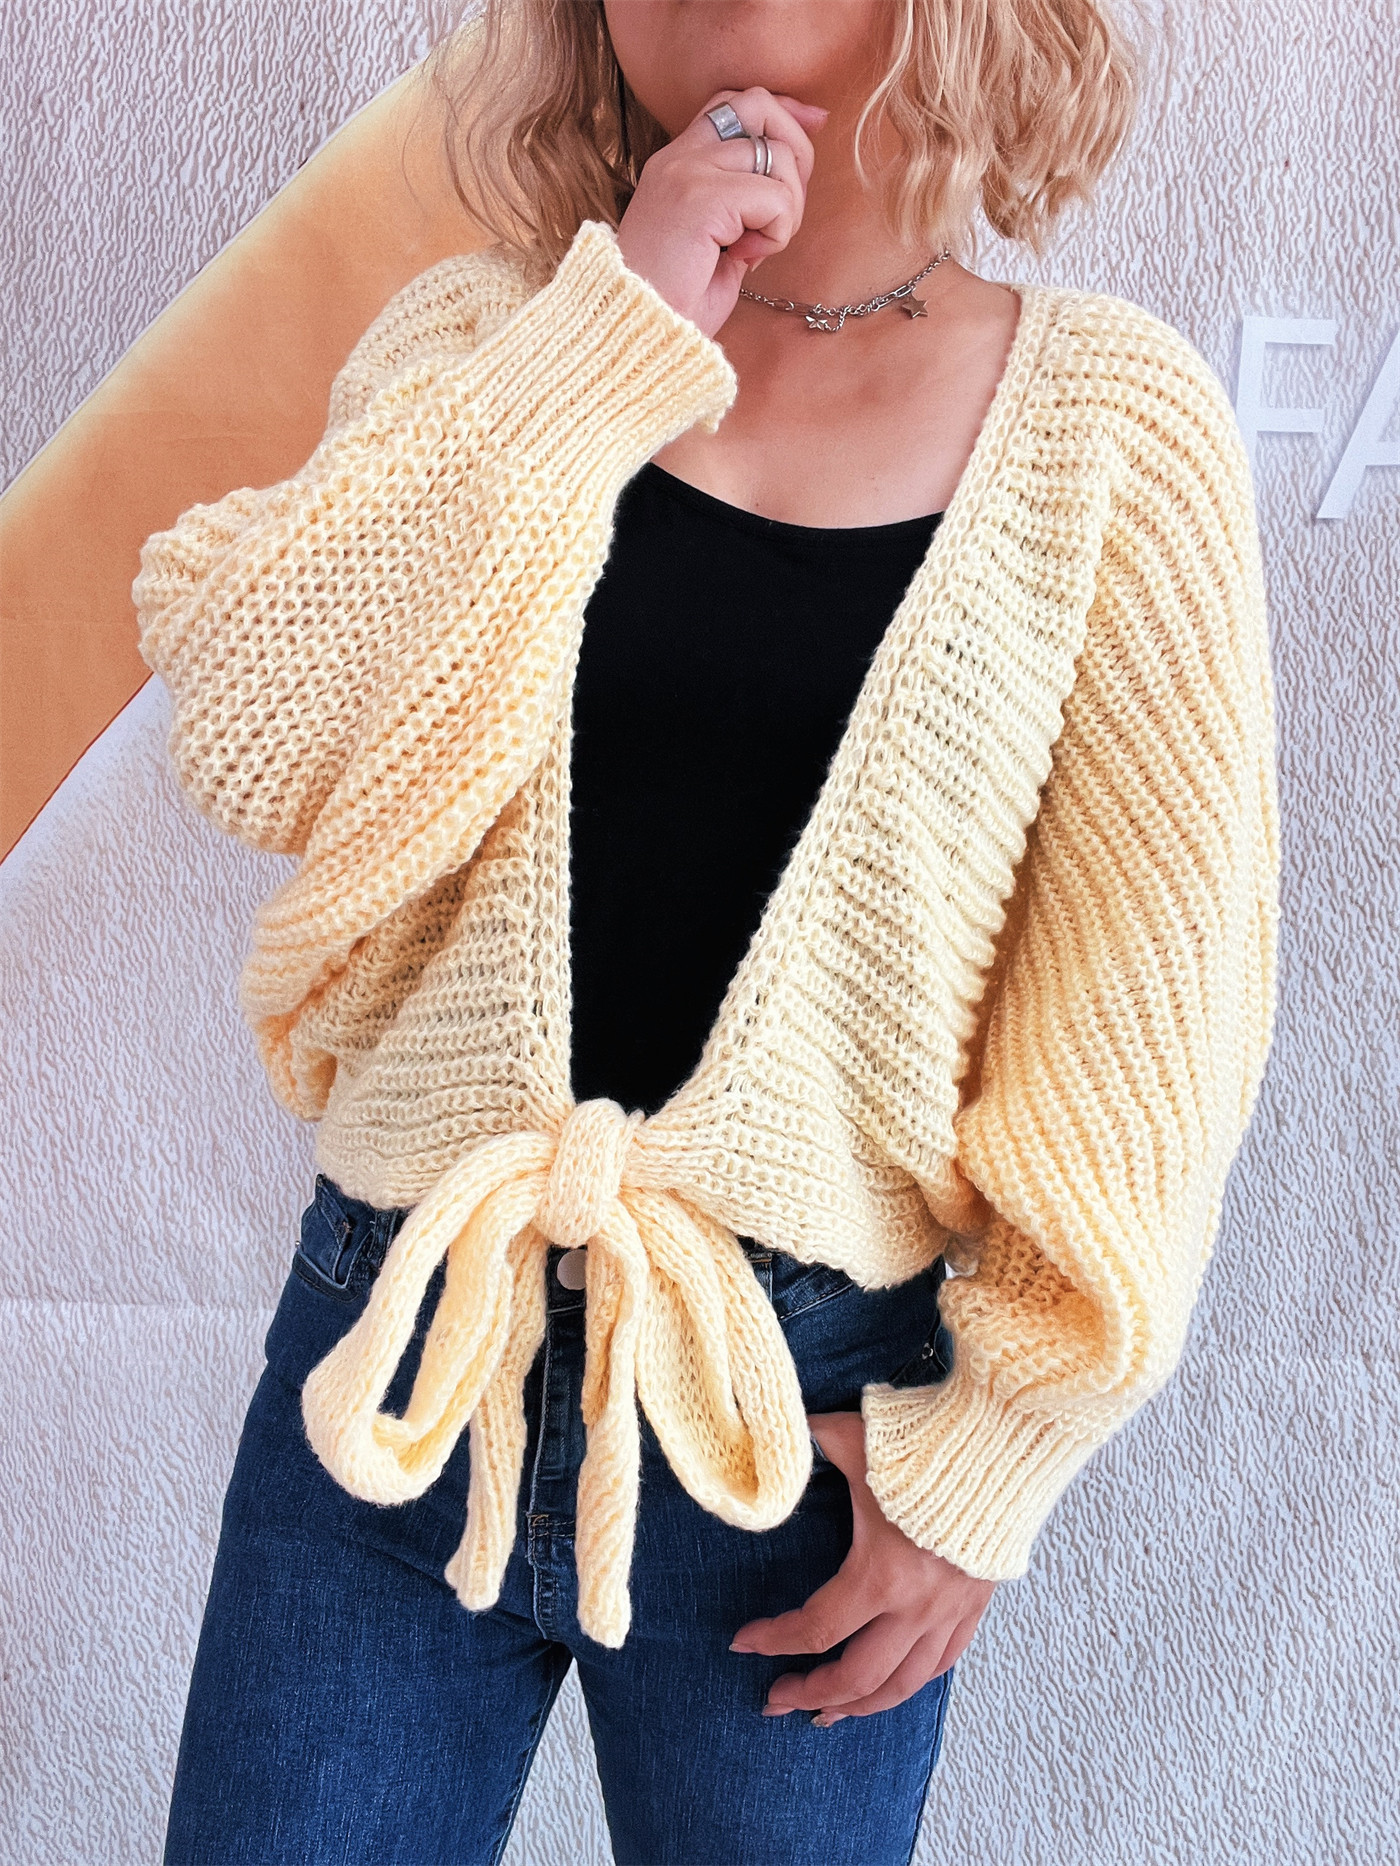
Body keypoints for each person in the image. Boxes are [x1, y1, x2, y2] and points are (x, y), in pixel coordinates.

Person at [139, 1, 1278, 1861]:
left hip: (796, 1422)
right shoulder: (487, 338)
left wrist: (988, 1460)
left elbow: (1152, 991)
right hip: (402, 1353)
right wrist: (613, 336)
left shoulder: (1108, 429)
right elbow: (259, 733)